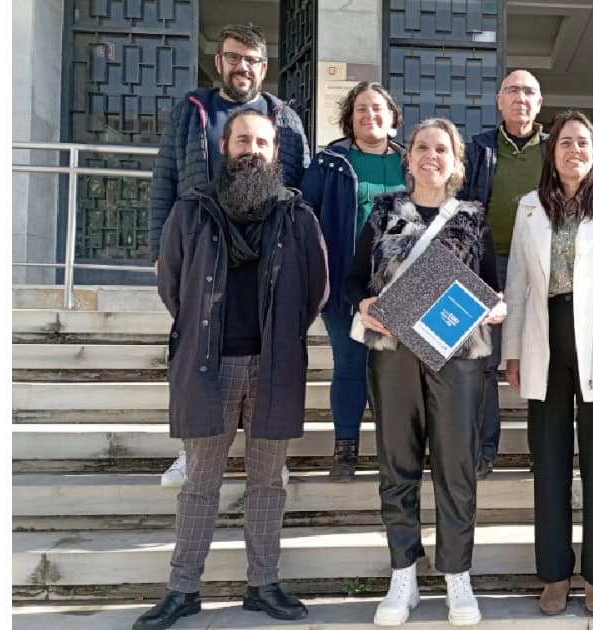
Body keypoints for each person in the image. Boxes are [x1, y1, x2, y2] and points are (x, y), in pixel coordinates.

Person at [133, 110, 328, 630]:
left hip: (273, 367)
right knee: (200, 483)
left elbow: (316, 290)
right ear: (225, 146)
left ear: (276, 151)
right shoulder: (192, 211)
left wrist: (281, 337)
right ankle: (183, 590)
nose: (252, 149)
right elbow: (173, 285)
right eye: (242, 139)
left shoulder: (297, 215)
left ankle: (263, 585)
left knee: (267, 484)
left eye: (262, 142)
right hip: (208, 366)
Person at [345, 118, 505, 627]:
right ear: (407, 157)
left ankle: (457, 575)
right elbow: (354, 280)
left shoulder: (474, 219)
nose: (430, 155)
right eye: (421, 147)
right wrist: (364, 303)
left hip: (456, 359)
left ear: (456, 161)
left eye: (441, 149)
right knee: (397, 463)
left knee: (456, 466)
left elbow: (491, 288)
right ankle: (403, 575)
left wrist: (495, 307)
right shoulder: (385, 210)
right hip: (392, 353)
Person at [501, 111, 593, 618]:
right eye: (565, 142)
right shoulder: (529, 208)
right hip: (546, 341)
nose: (574, 150)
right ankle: (555, 575)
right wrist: (513, 352)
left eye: (583, 142)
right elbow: (516, 285)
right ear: (552, 151)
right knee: (550, 465)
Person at [150, 23, 310, 487]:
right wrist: (161, 249)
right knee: (195, 357)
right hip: (204, 251)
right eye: (234, 57)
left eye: (252, 59)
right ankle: (192, 451)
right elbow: (164, 181)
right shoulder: (191, 112)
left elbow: (296, 187)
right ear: (219, 62)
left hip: (267, 258)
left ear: (264, 67)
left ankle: (269, 453)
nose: (243, 66)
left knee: (270, 357)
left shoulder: (284, 118)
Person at [301, 81, 406, 481]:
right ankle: (345, 451)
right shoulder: (330, 162)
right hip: (347, 285)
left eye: (378, 109)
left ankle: (393, 453)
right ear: (350, 118)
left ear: (393, 118)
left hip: (401, 287)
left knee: (394, 375)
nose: (370, 116)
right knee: (350, 366)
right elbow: (305, 214)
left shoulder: (411, 161)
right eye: (361, 109)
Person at [460, 69, 548, 480]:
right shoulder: (478, 148)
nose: (520, 98)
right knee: (483, 360)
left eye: (529, 91)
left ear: (539, 102)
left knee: (543, 358)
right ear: (499, 100)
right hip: (486, 263)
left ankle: (544, 451)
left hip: (542, 265)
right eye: (512, 91)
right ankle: (484, 449)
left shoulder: (553, 148)